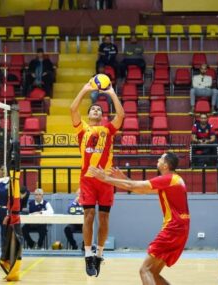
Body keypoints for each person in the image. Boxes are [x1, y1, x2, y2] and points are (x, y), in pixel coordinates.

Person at [88, 152, 190, 285]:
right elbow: (141, 189)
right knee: (152, 273)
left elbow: (134, 187)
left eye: (160, 158)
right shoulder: (175, 180)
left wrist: (106, 179)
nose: (157, 160)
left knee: (145, 271)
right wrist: (124, 178)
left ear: (165, 165)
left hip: (173, 229)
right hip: (181, 229)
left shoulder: (168, 179)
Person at [70, 82, 124, 277]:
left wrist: (111, 93)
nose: (95, 110)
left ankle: (99, 254)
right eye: (93, 108)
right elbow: (72, 108)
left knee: (104, 217)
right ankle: (87, 255)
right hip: (87, 179)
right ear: (89, 114)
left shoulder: (108, 129)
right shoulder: (81, 129)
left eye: (98, 109)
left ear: (101, 116)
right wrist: (85, 89)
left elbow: (121, 116)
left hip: (106, 179)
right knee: (89, 216)